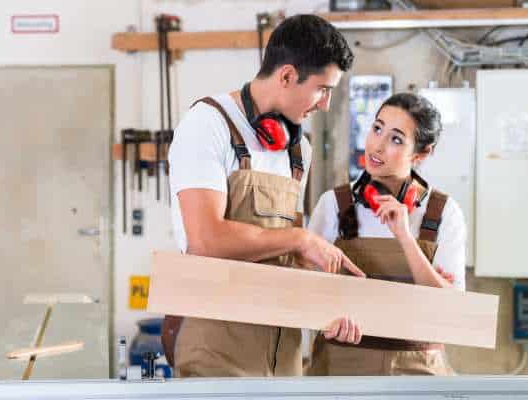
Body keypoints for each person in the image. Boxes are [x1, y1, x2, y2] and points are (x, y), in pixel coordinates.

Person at [163, 14, 365, 378]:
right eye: (323, 89)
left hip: (283, 352)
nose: (324, 105)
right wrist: (301, 238)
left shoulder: (297, 148)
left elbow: (288, 257)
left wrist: (327, 309)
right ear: (287, 76)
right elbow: (205, 240)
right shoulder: (208, 125)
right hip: (218, 346)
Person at [307, 92, 467, 376]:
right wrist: (328, 320)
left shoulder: (443, 213)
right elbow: (304, 292)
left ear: (422, 153)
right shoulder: (333, 205)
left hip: (419, 373)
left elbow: (452, 310)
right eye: (377, 128)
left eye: (396, 139)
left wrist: (405, 237)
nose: (376, 146)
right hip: (341, 367)